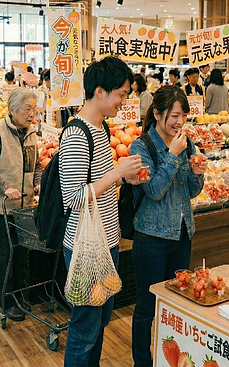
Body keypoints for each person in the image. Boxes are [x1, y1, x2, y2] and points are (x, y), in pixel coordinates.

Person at [59, 56, 145, 367]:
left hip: (106, 241)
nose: (124, 101)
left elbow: (98, 183)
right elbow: (74, 198)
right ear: (99, 91)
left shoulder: (100, 127)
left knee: (100, 321)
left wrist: (125, 178)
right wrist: (117, 173)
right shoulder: (76, 134)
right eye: (120, 94)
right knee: (85, 327)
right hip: (85, 246)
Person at [129, 86, 206, 367]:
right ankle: (142, 362)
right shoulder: (141, 147)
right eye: (174, 115)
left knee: (176, 302)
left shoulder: (186, 142)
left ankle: (170, 360)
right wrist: (173, 155)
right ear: (157, 113)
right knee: (146, 307)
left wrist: (198, 174)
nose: (180, 121)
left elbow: (191, 191)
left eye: (183, 115)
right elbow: (154, 191)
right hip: (151, 237)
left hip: (182, 233)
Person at [0, 88, 42, 323]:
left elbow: (36, 165)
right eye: (27, 109)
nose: (31, 114)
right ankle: (7, 303)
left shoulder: (32, 133)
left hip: (23, 206)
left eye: (34, 109)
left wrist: (38, 182)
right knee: (4, 255)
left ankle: (18, 296)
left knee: (20, 252)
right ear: (12, 110)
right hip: (1, 207)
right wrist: (5, 188)